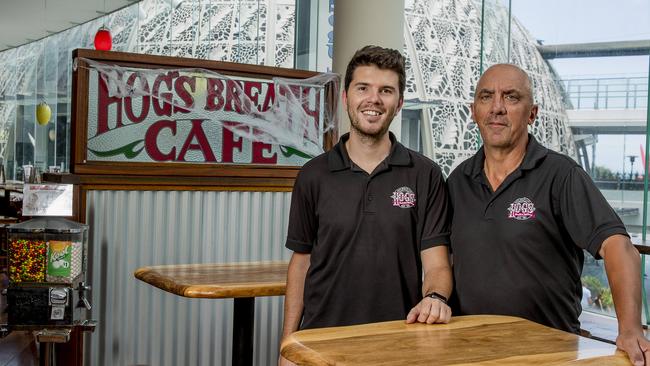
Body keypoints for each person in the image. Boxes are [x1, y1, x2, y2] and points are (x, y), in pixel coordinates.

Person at [448, 63, 650, 365]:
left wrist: (630, 328)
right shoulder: (457, 180)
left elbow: (618, 246)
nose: (497, 108)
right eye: (486, 97)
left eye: (511, 97)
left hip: (548, 352)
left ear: (532, 113)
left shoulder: (561, 175)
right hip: (470, 352)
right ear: (473, 110)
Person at [279, 45, 453, 365]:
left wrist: (435, 297)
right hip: (322, 342)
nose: (373, 99)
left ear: (399, 103)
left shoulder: (425, 174)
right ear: (346, 97)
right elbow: (301, 264)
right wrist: (288, 344)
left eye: (385, 91)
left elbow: (437, 263)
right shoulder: (313, 175)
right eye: (363, 88)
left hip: (399, 341)